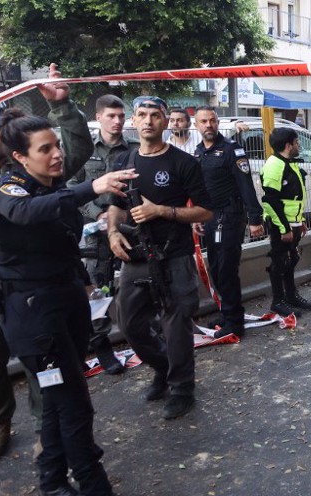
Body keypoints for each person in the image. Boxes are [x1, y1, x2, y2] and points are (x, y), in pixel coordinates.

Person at [0, 107, 144, 496]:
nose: (56, 154)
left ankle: (52, 484)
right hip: (34, 316)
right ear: (21, 157)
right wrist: (90, 187)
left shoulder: (51, 184)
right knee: (74, 406)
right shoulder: (10, 188)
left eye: (56, 145)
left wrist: (84, 283)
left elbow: (59, 240)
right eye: (45, 149)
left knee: (61, 403)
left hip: (66, 302)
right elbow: (28, 214)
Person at [0, 63, 92, 463]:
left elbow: (74, 149)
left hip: (31, 288)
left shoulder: (32, 174)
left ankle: (46, 428)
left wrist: (63, 106)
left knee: (46, 361)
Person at [106, 96, 214, 420]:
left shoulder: (183, 163)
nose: (149, 120)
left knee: (175, 324)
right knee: (129, 321)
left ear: (166, 122)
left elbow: (206, 210)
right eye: (142, 114)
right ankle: (162, 366)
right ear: (134, 121)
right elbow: (114, 204)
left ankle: (182, 388)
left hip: (174, 256)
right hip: (136, 256)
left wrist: (160, 211)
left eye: (155, 115)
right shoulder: (124, 161)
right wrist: (113, 233)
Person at [68, 94, 139, 376]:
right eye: (111, 116)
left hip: (130, 227)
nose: (117, 121)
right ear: (98, 117)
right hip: (95, 233)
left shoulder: (133, 148)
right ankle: (102, 347)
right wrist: (97, 212)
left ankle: (146, 336)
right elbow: (73, 187)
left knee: (142, 283)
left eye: (121, 116)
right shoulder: (84, 150)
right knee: (99, 291)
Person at [192, 106, 267, 338]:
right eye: (203, 121)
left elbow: (246, 186)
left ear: (217, 123)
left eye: (212, 121)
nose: (208, 125)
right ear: (196, 125)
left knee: (226, 269)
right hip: (210, 218)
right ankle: (227, 312)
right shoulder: (198, 152)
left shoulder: (231, 150)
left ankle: (234, 322)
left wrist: (255, 219)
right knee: (215, 267)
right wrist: (195, 215)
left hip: (230, 216)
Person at [260, 127, 311, 317]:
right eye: (297, 142)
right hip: (281, 225)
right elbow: (270, 200)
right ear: (288, 145)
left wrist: (301, 221)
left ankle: (291, 296)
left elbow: (295, 197)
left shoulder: (288, 163)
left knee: (290, 260)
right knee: (279, 262)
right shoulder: (275, 165)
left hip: (293, 223)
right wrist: (284, 228)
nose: (299, 146)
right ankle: (278, 301)